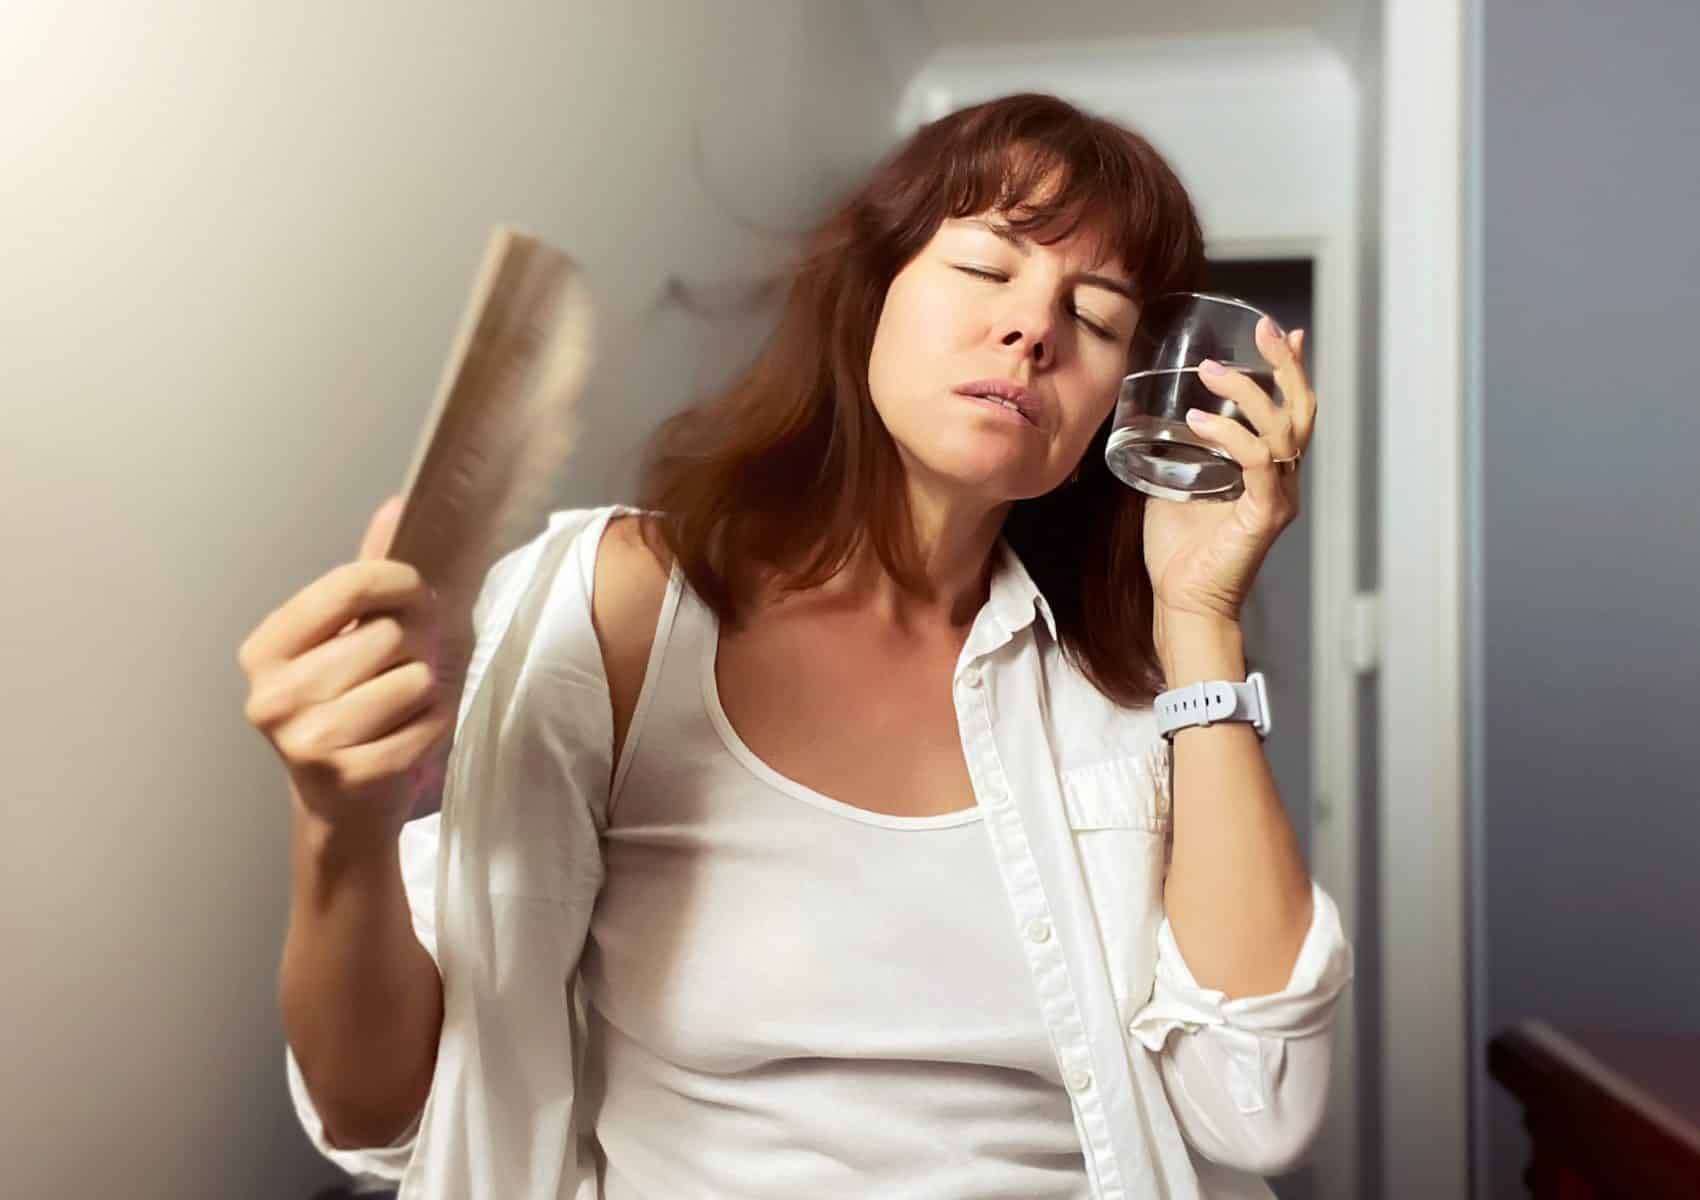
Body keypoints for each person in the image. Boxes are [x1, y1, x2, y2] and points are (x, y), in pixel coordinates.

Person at [242, 92, 1351, 1200]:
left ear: (1105, 411)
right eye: (983, 267)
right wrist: (339, 825)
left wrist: (1200, 619)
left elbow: (1256, 1109)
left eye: (1097, 318)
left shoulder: (1118, 689)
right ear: (869, 295)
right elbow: (377, 1113)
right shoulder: (614, 610)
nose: (1033, 329)